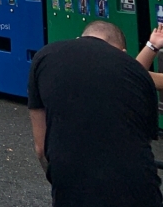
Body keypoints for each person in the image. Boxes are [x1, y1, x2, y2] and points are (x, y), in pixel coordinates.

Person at [28, 19, 161, 207]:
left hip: (71, 185)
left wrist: (60, 183)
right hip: (135, 188)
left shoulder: (44, 57)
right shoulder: (132, 73)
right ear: (122, 54)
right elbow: (142, 141)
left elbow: (41, 148)